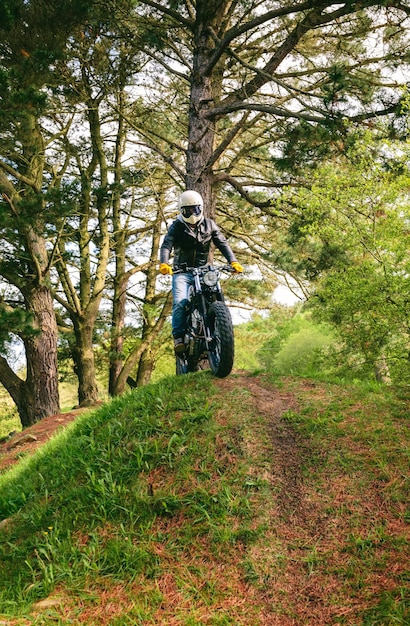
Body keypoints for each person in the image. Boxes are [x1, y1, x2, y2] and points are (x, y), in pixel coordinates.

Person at [159, 190, 243, 353]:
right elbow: (166, 245)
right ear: (181, 210)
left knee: (216, 293)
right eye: (187, 210)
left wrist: (233, 261)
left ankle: (220, 329)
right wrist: (164, 263)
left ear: (201, 208)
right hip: (181, 271)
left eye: (195, 209)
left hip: (204, 270)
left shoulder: (210, 225)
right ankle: (178, 337)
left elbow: (222, 243)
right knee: (180, 302)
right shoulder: (176, 226)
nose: (191, 213)